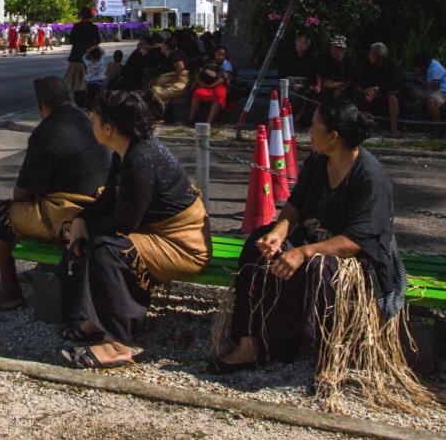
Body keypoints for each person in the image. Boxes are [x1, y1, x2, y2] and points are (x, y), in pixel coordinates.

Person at [212, 101, 410, 377]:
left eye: (315, 127)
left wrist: (304, 252)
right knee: (257, 246)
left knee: (317, 268)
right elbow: (296, 206)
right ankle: (248, 343)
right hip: (314, 235)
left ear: (333, 136)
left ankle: (330, 352)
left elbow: (357, 239)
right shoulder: (319, 161)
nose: (309, 132)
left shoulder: (369, 176)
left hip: (356, 253)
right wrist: (277, 233)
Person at [59, 91, 211, 368]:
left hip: (181, 245)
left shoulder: (141, 159)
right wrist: (81, 219)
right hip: (156, 234)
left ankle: (116, 343)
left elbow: (123, 223)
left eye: (94, 118)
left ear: (108, 128)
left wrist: (85, 228)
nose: (90, 121)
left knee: (110, 250)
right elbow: (108, 201)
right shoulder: (128, 149)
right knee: (93, 240)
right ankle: (97, 319)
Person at [0, 77, 112, 311]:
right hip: (101, 205)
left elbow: (22, 193)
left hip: (72, 215)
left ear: (40, 105)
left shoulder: (47, 131)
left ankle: (10, 292)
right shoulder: (87, 120)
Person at [352, 42, 402, 137]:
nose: (369, 56)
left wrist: (377, 89)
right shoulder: (366, 64)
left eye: (372, 54)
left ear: (379, 56)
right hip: (367, 92)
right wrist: (367, 91)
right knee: (356, 93)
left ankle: (393, 128)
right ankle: (358, 126)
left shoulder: (391, 66)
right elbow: (360, 80)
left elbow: (395, 83)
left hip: (385, 93)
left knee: (393, 97)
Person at [404, 52, 446, 129]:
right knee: (414, 92)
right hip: (432, 92)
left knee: (431, 101)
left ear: (423, 65)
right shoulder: (429, 66)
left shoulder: (436, 68)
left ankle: (437, 128)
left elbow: (435, 87)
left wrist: (419, 81)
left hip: (443, 92)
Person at [186, 46, 233, 126]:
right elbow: (198, 73)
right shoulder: (209, 62)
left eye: (223, 55)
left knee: (220, 97)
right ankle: (191, 119)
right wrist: (200, 82)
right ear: (215, 54)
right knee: (197, 93)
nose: (221, 57)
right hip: (205, 84)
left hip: (219, 85)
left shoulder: (227, 64)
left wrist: (211, 86)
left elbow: (223, 79)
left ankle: (208, 123)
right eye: (219, 55)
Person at [65, 7, 101, 105]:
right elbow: (98, 41)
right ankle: (87, 99)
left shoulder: (76, 26)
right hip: (89, 58)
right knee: (88, 79)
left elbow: (71, 40)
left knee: (76, 79)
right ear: (90, 16)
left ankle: (79, 100)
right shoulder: (94, 27)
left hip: (76, 57)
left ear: (81, 15)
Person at [81, 44, 108, 111]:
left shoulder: (88, 62)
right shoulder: (101, 61)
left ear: (91, 56)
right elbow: (103, 52)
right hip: (100, 80)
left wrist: (89, 50)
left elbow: (83, 57)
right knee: (98, 96)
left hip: (90, 81)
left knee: (89, 95)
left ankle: (89, 108)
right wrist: (96, 46)